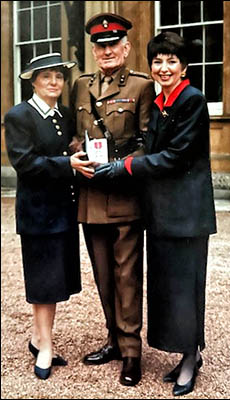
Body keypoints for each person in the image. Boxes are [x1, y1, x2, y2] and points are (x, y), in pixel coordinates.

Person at [94, 31, 217, 396]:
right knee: (167, 286)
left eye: (171, 61)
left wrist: (126, 167)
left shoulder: (191, 100)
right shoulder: (163, 100)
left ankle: (191, 358)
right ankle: (185, 353)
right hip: (163, 211)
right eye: (157, 62)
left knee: (185, 287)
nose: (163, 68)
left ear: (184, 67)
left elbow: (175, 157)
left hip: (186, 212)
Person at [70, 13, 155, 386]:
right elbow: (74, 135)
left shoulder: (141, 86)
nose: (106, 51)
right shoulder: (80, 86)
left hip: (124, 195)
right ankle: (114, 340)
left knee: (127, 276)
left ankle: (132, 352)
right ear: (93, 50)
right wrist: (79, 153)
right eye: (100, 46)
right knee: (104, 276)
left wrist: (122, 166)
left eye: (113, 45)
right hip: (90, 194)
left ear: (126, 47)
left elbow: (148, 141)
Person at [4, 53, 95, 380]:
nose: (54, 82)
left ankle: (38, 337)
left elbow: (65, 146)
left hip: (62, 209)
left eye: (59, 76)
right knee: (42, 282)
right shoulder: (19, 115)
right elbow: (25, 163)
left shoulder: (64, 114)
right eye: (46, 77)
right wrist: (65, 164)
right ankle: (44, 345)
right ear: (32, 81)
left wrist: (72, 149)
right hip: (38, 212)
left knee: (54, 282)